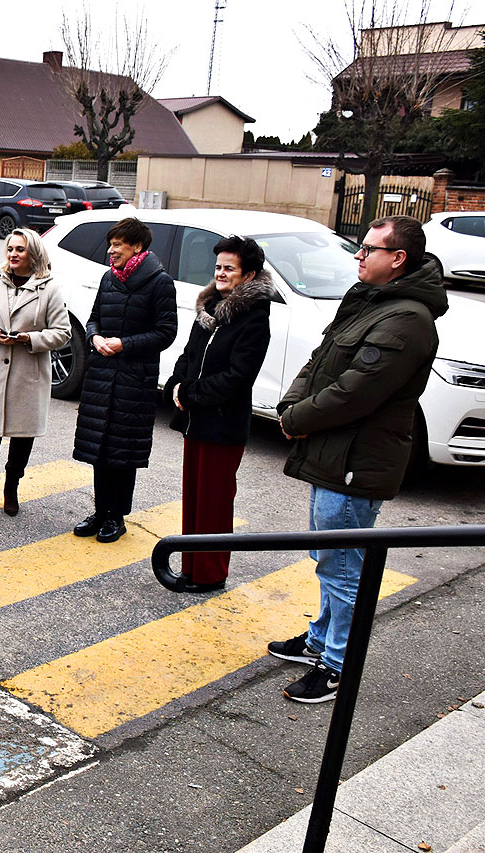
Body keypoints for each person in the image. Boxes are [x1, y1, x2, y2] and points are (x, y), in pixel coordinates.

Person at [268, 215, 447, 703]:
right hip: (332, 453)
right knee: (329, 560)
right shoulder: (369, 300)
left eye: (369, 249)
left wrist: (299, 419)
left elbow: (356, 392)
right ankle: (320, 639)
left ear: (398, 258)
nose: (358, 256)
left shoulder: (407, 318)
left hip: (355, 461)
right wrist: (291, 408)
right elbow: (320, 360)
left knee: (344, 570)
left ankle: (335, 666)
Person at [162, 236, 275, 592]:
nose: (221, 273)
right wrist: (176, 384)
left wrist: (191, 394)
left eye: (229, 268)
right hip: (196, 421)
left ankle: (211, 574)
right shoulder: (210, 307)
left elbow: (238, 377)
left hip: (223, 425)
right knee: (194, 499)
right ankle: (190, 567)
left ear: (249, 274)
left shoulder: (254, 318)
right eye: (218, 267)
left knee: (214, 501)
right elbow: (189, 355)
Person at [72, 217, 177, 542]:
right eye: (111, 244)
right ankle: (100, 511)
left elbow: (166, 332)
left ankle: (116, 517)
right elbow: (93, 319)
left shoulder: (160, 283)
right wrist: (94, 338)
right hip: (102, 376)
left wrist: (124, 345)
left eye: (117, 245)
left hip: (134, 381)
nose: (111, 251)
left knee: (122, 453)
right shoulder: (108, 279)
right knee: (99, 449)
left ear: (137, 247)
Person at [0, 228, 72, 525]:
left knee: (22, 438)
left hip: (28, 372)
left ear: (33, 254)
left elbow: (63, 333)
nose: (13, 254)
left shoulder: (48, 288)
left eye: (20, 250)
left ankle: (12, 488)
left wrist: (30, 339)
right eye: (10, 249)